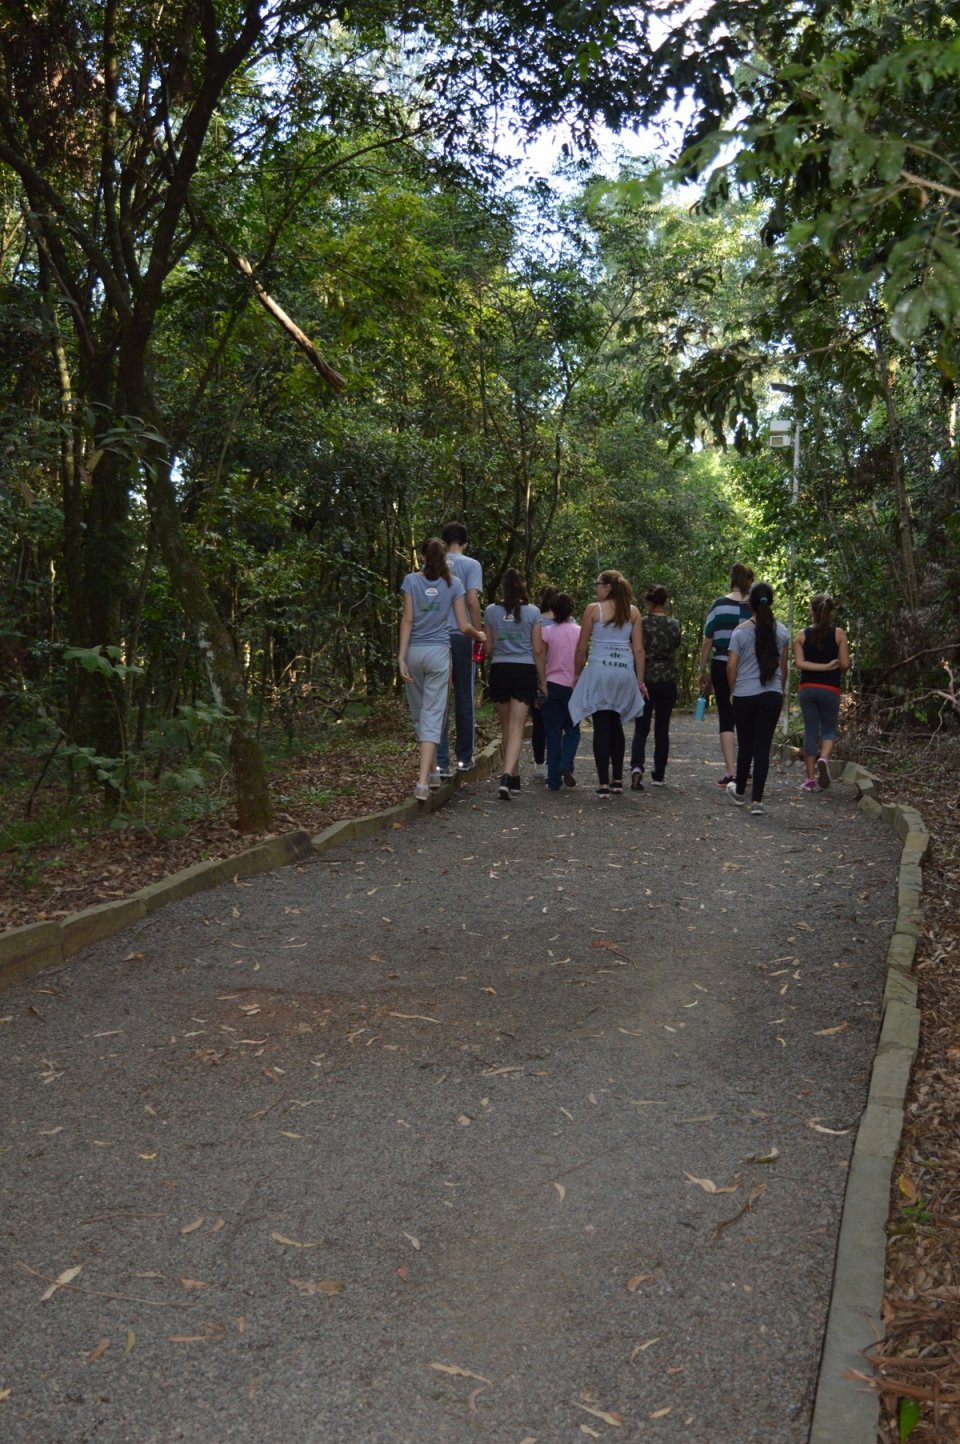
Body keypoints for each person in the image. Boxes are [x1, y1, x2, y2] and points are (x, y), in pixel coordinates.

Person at [398, 539, 484, 802]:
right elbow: (462, 624)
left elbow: (408, 619)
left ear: (423, 557)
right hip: (438, 654)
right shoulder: (454, 584)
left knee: (420, 715)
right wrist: (480, 635)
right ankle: (425, 780)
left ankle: (433, 773)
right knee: (433, 714)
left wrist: (401, 656)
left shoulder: (411, 581)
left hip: (413, 652)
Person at [569, 570, 647, 797]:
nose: (596, 588)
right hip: (624, 672)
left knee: (601, 725)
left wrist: (576, 675)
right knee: (616, 724)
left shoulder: (594, 610)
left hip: (600, 671)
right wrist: (639, 682)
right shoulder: (633, 612)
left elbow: (582, 647)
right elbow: (639, 650)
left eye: (598, 584)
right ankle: (617, 780)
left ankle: (603, 783)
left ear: (608, 587)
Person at [725, 581, 790, 815]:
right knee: (762, 747)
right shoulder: (782, 631)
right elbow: (783, 667)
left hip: (745, 695)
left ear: (750, 603)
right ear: (770, 602)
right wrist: (779, 691)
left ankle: (740, 792)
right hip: (771, 695)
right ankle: (758, 802)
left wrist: (733, 690)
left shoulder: (740, 631)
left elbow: (731, 665)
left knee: (746, 746)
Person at [484, 569, 542, 801]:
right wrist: (543, 681)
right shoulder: (533, 612)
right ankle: (507, 775)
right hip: (524, 671)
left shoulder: (490, 611)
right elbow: (538, 650)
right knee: (518, 726)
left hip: (500, 669)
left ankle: (514, 776)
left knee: (506, 725)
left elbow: (488, 649)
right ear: (522, 586)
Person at [698, 563, 755, 786]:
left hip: (722, 663)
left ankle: (731, 770)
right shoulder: (754, 607)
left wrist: (702, 670)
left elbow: (708, 639)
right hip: (748, 666)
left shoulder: (719, 604)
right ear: (750, 580)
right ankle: (746, 768)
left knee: (726, 715)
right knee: (747, 715)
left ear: (731, 579)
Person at [436, 521, 484, 777]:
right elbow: (472, 601)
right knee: (464, 695)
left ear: (444, 542)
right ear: (465, 542)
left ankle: (440, 763)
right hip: (462, 635)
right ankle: (464, 759)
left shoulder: (432, 564)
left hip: (436, 637)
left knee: (440, 698)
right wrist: (478, 634)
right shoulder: (471, 565)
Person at [794, 593, 850, 791]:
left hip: (807, 689)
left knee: (810, 731)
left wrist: (818, 667)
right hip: (830, 689)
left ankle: (810, 780)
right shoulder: (839, 634)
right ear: (831, 612)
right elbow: (845, 664)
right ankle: (824, 758)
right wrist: (828, 666)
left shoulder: (801, 635)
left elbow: (800, 663)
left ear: (811, 611)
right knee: (828, 729)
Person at [630, 585, 681, 789]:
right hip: (667, 679)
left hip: (645, 678)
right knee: (662, 728)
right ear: (666, 602)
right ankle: (659, 774)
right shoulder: (675, 624)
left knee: (641, 727)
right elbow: (676, 645)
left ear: (649, 602)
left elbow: (635, 647)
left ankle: (637, 766)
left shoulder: (640, 623)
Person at [532, 592, 581, 791]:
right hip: (571, 687)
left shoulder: (547, 632)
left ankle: (553, 781)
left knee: (552, 733)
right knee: (572, 729)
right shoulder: (579, 631)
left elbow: (540, 656)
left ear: (553, 611)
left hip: (551, 685)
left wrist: (541, 684)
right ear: (571, 610)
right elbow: (581, 657)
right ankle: (566, 764)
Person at [530, 585, 558, 778]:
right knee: (556, 722)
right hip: (559, 677)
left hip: (537, 674)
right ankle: (553, 761)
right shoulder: (568, 621)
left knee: (538, 721)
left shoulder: (535, 619)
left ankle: (539, 762)